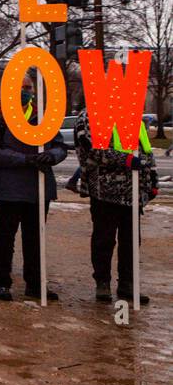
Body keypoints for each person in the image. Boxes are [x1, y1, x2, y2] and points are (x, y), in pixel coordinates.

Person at [0, 76, 67, 301]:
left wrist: (52, 156)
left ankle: (35, 283)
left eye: (28, 87)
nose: (25, 91)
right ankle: (1, 282)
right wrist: (26, 159)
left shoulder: (42, 115)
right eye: (20, 87)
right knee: (5, 236)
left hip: (38, 187)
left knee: (35, 237)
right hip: (8, 187)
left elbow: (60, 146)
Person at [75, 107, 158, 306]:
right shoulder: (88, 116)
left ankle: (127, 283)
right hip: (104, 191)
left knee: (131, 241)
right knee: (104, 239)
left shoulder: (131, 114)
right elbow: (91, 150)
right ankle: (102, 282)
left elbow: (145, 148)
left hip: (133, 191)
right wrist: (126, 160)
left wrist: (152, 179)